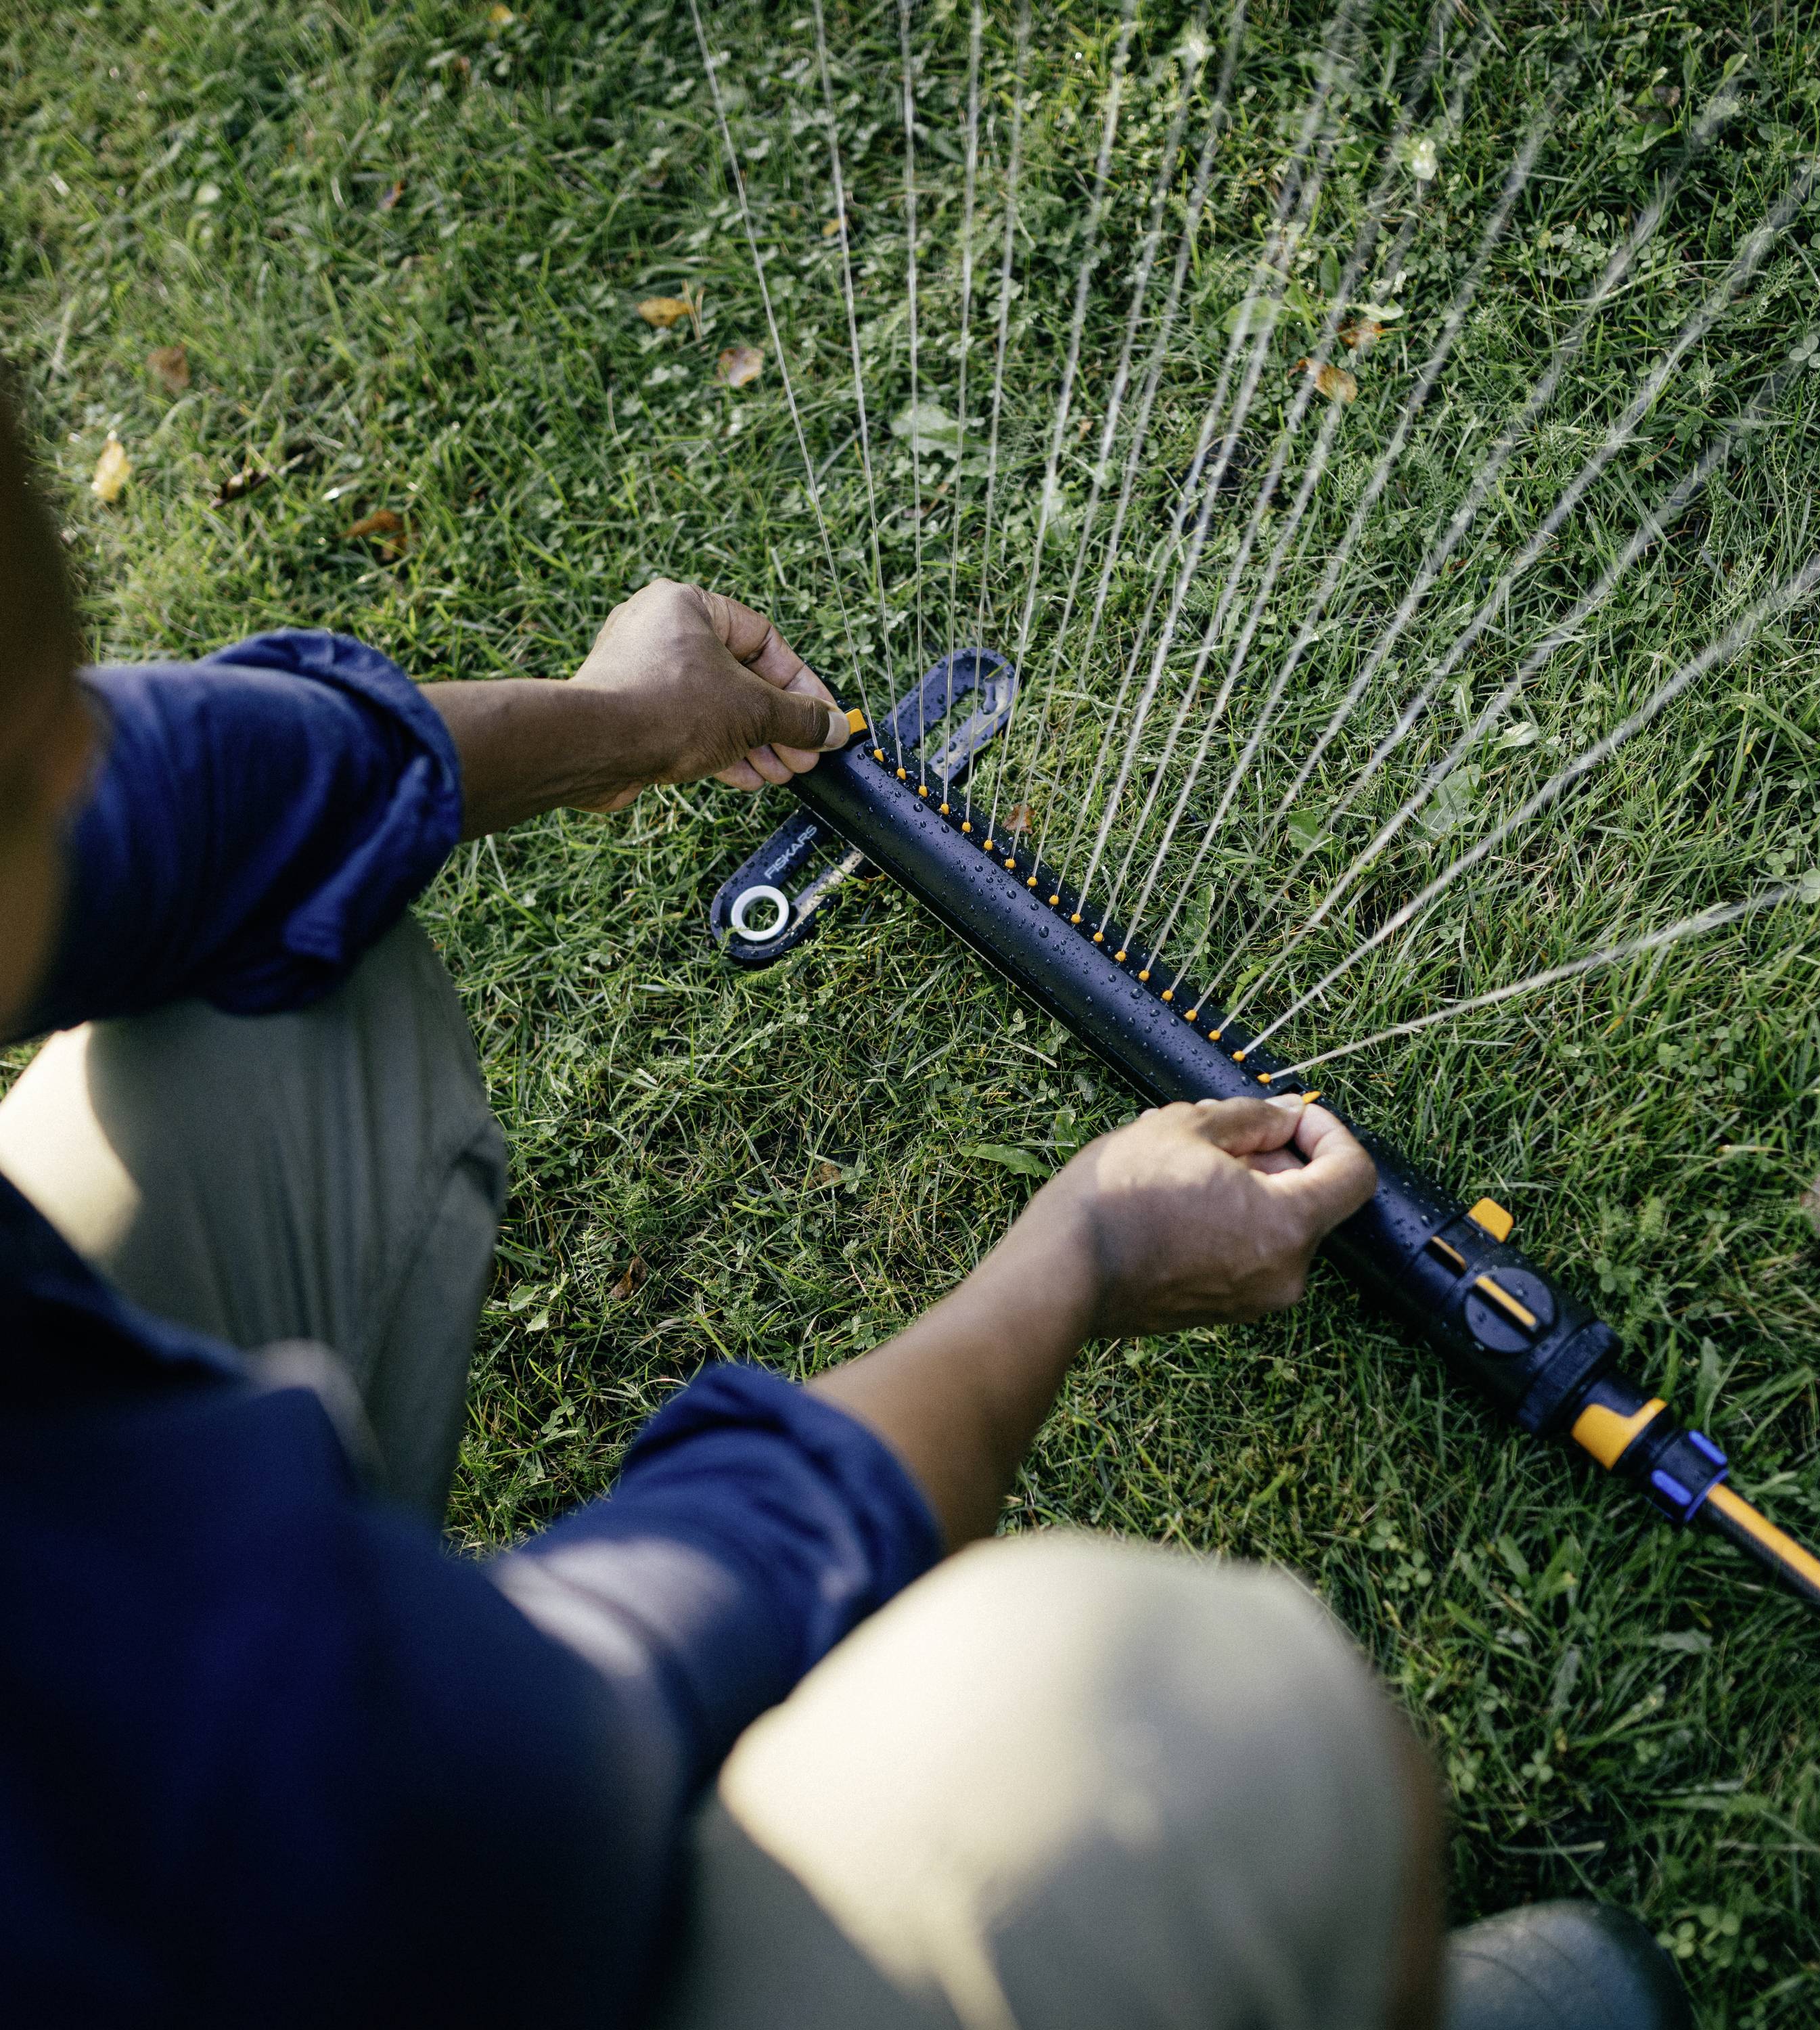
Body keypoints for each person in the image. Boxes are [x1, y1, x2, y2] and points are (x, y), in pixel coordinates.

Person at [0, 376, 1691, 2030]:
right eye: (28, 782)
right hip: (336, 1873)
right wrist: (1073, 1262)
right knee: (1209, 1731)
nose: (86, 772)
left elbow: (184, 806)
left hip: (245, 1737)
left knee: (268, 990)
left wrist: (618, 722)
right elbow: (560, 1735)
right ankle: (1254, 1949)